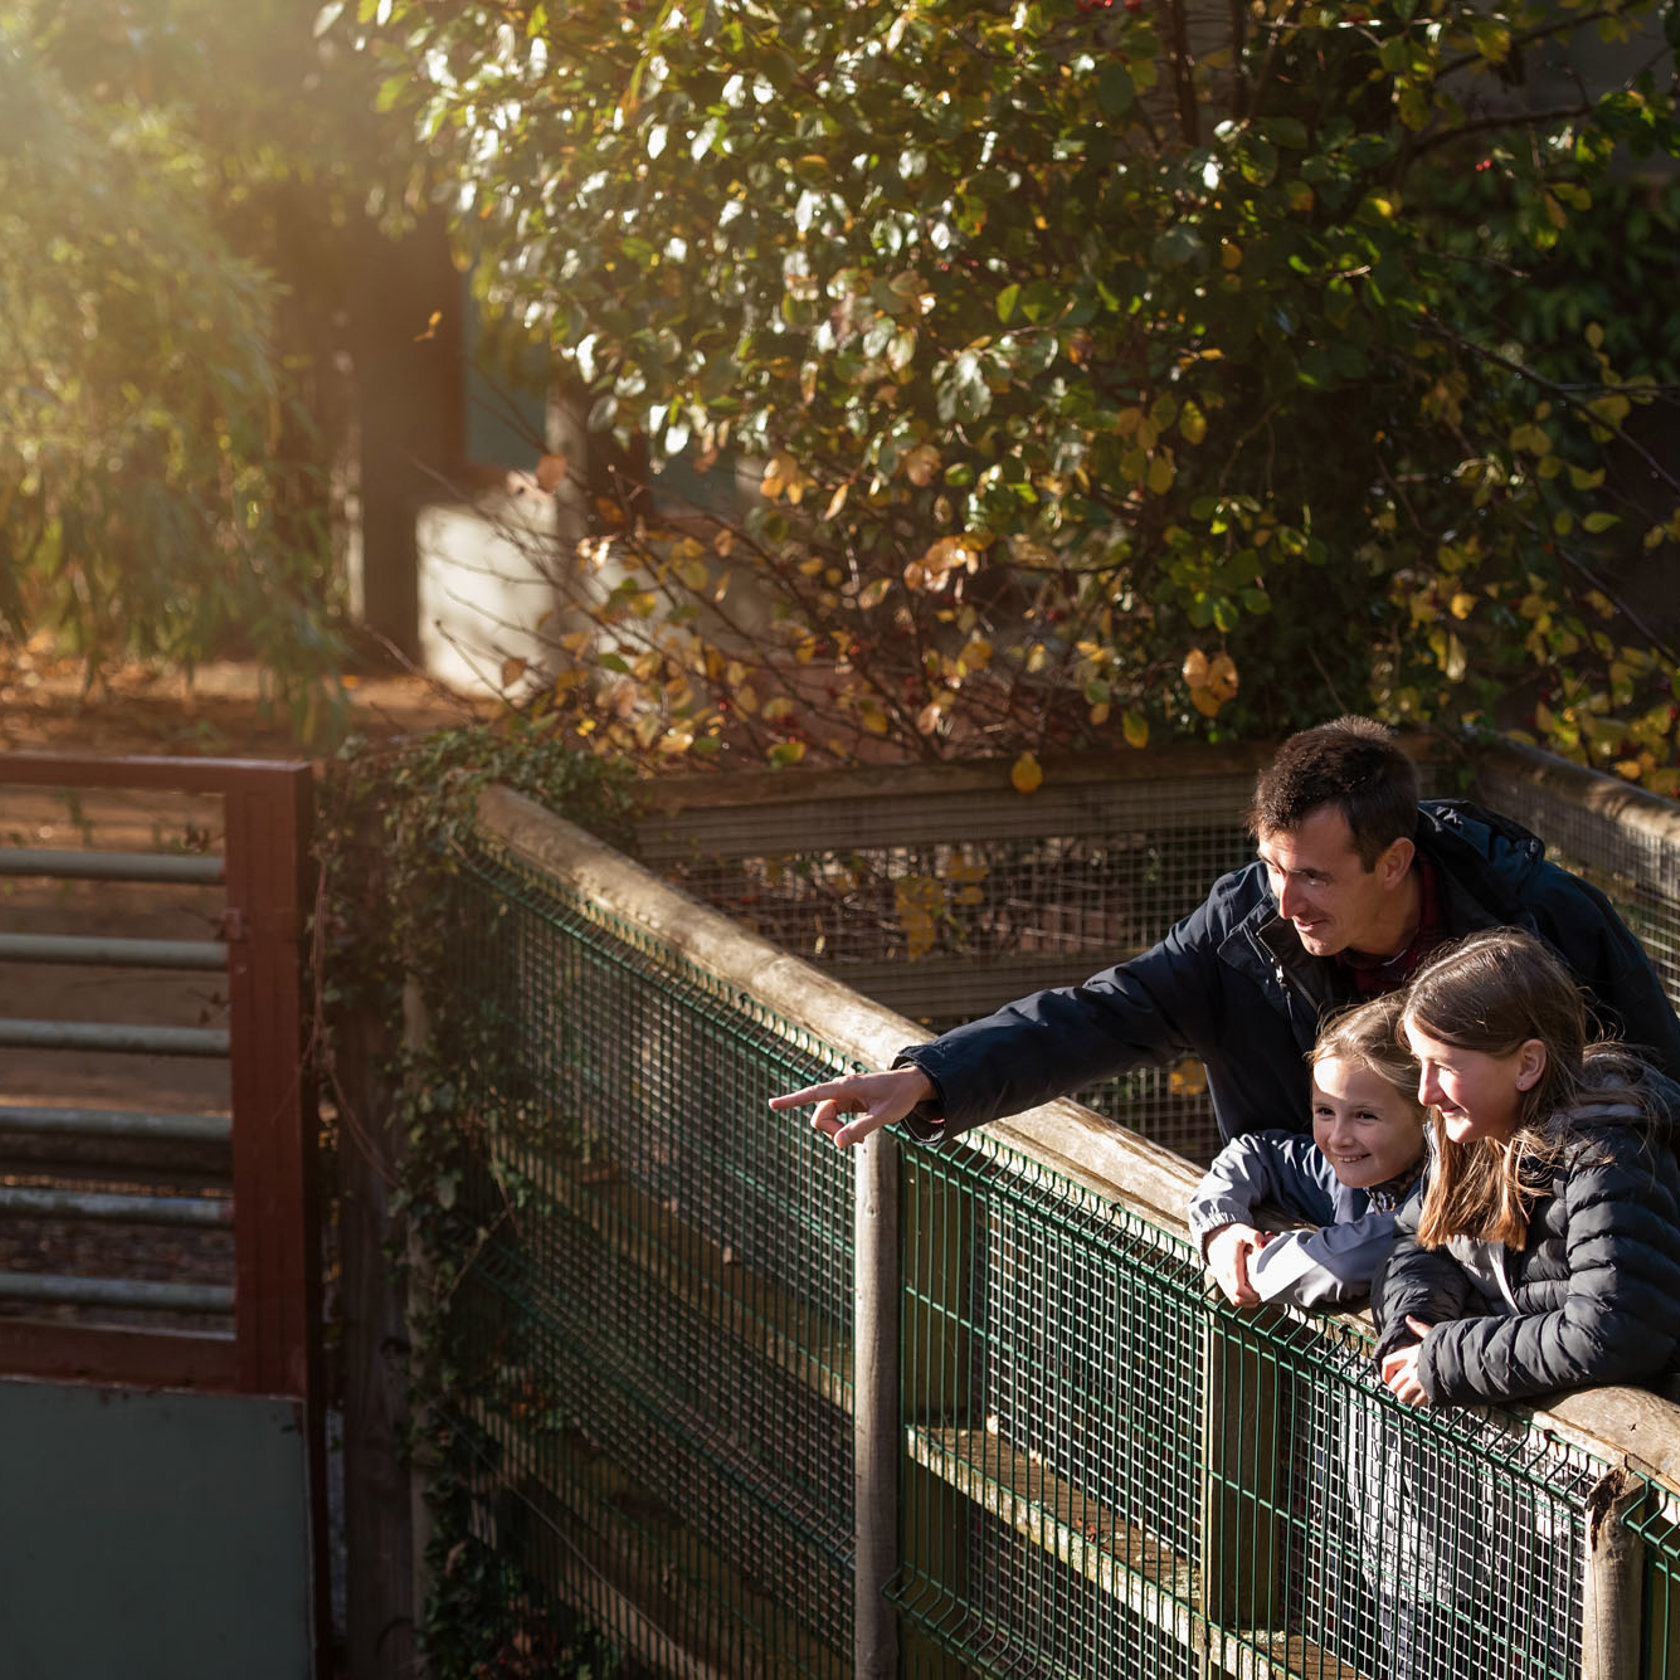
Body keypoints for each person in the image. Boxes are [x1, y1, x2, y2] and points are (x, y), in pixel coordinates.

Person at [771, 717, 1680, 1151]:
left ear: (1396, 862)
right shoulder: (1241, 931)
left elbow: (1657, 1083)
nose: (1285, 902)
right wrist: (935, 1075)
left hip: (1516, 1271)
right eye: (1273, 867)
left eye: (1315, 876)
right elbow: (1099, 1013)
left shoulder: (1540, 918)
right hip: (1323, 1252)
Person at [1374, 927, 1680, 1408]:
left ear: (1527, 1065)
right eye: (1421, 1064)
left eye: (1446, 1067)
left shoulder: (1609, 1159)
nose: (1425, 1094)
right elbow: (1418, 1241)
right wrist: (1415, 1327)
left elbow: (1617, 1331)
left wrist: (1446, 1359)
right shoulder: (1474, 1135)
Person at [1191, 993, 1427, 1310]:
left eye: (1365, 1116)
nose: (1338, 1138)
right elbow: (1253, 1154)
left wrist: (1257, 1264)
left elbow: (1338, 1267)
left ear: (1426, 1114)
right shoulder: (1340, 1172)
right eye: (1325, 1112)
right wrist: (1220, 1230)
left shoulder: (1438, 1199)